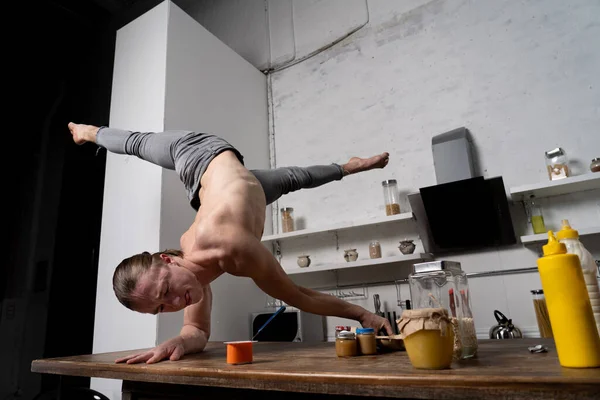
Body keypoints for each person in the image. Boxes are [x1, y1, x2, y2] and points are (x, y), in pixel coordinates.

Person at [68, 122, 394, 364]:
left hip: (198, 155)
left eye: (165, 291)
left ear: (168, 261)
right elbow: (196, 330)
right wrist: (177, 342)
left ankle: (88, 132)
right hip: (248, 186)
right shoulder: (193, 281)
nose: (173, 303)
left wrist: (362, 315)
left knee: (139, 143)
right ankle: (348, 166)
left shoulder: (229, 248)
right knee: (297, 177)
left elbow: (299, 295)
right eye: (161, 308)